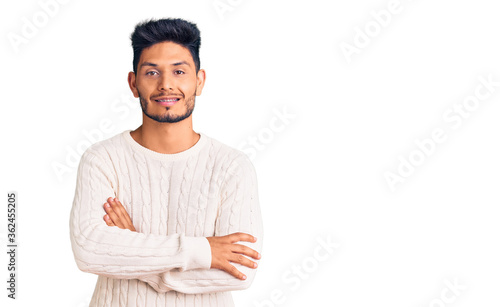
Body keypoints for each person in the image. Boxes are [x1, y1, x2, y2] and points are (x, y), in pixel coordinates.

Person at [69, 17, 263, 307]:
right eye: (152, 72)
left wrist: (134, 248)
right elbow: (89, 251)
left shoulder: (232, 166)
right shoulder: (102, 159)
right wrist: (202, 251)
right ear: (134, 84)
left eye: (179, 71)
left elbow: (240, 273)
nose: (166, 85)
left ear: (199, 81)